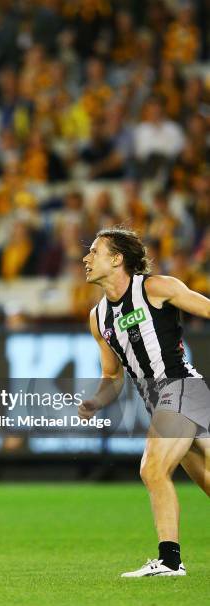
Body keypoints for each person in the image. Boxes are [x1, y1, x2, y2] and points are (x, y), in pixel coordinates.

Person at [80, 227, 210, 578]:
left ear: (117, 258)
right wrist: (95, 401)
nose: (86, 259)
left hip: (181, 388)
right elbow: (113, 378)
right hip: (166, 403)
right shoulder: (98, 318)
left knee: (152, 468)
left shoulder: (155, 288)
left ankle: (169, 561)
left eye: (95, 251)